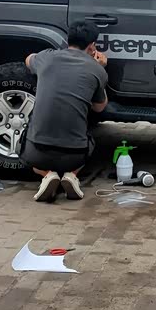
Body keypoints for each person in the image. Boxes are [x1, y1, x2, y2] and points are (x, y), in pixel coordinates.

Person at [21, 22, 108, 203]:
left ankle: (47, 174)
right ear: (92, 46)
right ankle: (71, 175)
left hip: (37, 153)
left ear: (68, 40)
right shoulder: (97, 69)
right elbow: (99, 107)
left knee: (24, 147)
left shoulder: (47, 57)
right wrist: (100, 67)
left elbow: (28, 59)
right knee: (90, 140)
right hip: (74, 157)